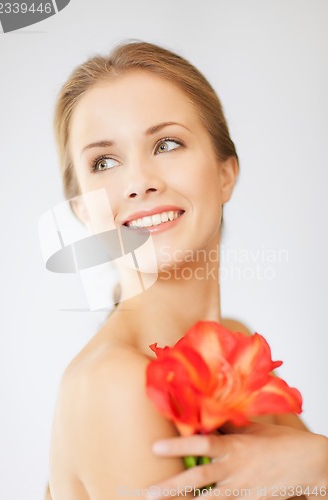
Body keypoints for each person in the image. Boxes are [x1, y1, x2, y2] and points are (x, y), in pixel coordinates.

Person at [48, 41, 327, 499]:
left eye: (167, 143)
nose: (139, 182)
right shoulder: (114, 385)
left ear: (225, 174)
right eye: (105, 161)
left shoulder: (232, 348)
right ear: (82, 211)